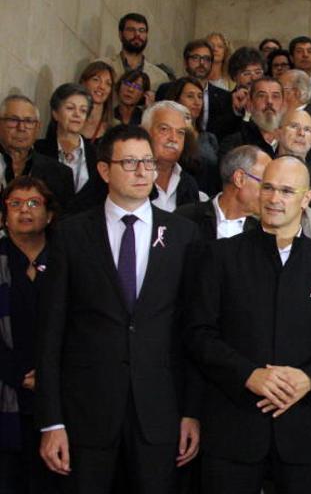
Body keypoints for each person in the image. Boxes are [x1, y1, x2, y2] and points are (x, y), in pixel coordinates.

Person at [36, 124, 201, 493]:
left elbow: (190, 332)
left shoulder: (183, 234)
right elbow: (50, 333)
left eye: (148, 161)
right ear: (104, 170)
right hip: (86, 413)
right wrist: (51, 421)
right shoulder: (70, 234)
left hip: (159, 413)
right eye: (130, 163)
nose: (144, 172)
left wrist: (191, 411)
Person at [183, 155, 311, 494]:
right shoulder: (219, 256)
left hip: (305, 433)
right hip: (233, 428)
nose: (274, 199)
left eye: (287, 190)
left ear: (307, 198)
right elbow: (199, 334)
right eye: (268, 187)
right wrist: (248, 374)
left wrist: (310, 379)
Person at [0, 177, 59, 494]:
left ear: (49, 215)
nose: (25, 210)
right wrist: (15, 372)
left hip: (58, 397)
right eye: (16, 204)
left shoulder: (67, 260)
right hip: (7, 391)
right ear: (3, 216)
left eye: (34, 203)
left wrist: (48, 374)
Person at [34, 83, 108, 213]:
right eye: (70, 108)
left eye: (83, 110)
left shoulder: (98, 155)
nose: (77, 114)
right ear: (55, 113)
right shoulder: (38, 150)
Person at [175, 145, 268, 240]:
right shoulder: (186, 218)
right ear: (239, 179)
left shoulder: (264, 233)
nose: (271, 196)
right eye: (266, 185)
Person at [0, 95, 75, 211]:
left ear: (37, 127)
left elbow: (65, 222)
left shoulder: (60, 174)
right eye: (13, 120)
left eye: (29, 121)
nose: (21, 127)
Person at [142, 101, 203, 211]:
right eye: (164, 129)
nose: (174, 139)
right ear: (145, 132)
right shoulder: (131, 177)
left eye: (180, 133)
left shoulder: (189, 184)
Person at [166, 76, 222, 196]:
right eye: (190, 96)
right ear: (177, 100)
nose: (197, 102)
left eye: (200, 97)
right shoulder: (170, 136)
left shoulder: (209, 138)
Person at [96, 12, 169, 91]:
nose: (137, 34)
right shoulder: (102, 65)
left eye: (141, 30)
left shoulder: (160, 77)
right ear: (120, 35)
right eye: (131, 30)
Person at [221, 77, 286, 159]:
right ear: (250, 104)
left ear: (284, 104)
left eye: (275, 96)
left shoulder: (292, 140)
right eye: (261, 96)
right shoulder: (235, 143)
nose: (269, 101)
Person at [78, 61, 118, 143]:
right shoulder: (68, 118)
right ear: (83, 82)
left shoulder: (115, 128)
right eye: (96, 80)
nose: (102, 87)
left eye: (108, 83)